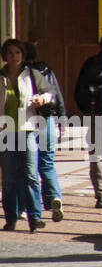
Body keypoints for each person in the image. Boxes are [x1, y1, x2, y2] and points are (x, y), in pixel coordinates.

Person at [1, 38, 57, 230]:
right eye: (10, 53)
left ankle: (35, 216)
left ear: (23, 55)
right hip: (5, 132)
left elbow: (50, 92)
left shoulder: (31, 74)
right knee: (9, 178)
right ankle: (11, 218)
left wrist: (42, 98)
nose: (14, 57)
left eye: (17, 53)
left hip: (28, 130)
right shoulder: (2, 77)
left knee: (31, 174)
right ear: (5, 56)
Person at [24, 43, 63, 222]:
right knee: (47, 162)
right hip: (47, 118)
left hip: (26, 121)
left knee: (28, 166)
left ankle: (30, 205)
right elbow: (57, 95)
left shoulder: (20, 73)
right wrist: (61, 118)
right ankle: (55, 197)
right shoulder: (45, 69)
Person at [74, 33, 102, 209]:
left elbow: (79, 91)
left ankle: (101, 196)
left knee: (97, 155)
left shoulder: (90, 64)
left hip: (94, 114)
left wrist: (87, 111)